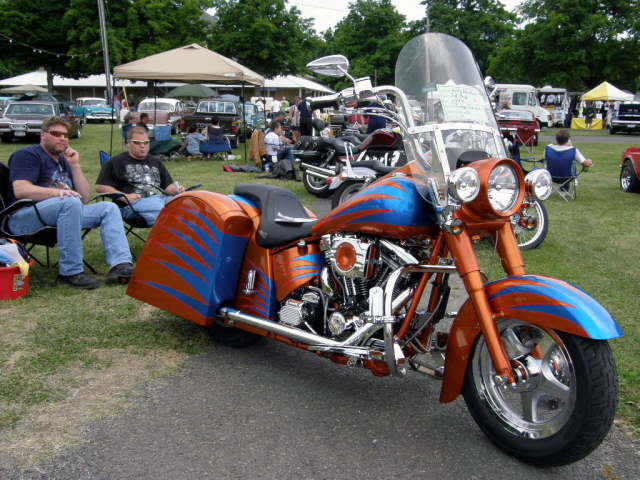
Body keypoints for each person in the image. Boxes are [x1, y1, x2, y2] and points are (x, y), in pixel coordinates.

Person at [7, 116, 134, 289]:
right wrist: (59, 192)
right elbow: (21, 190)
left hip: (64, 213)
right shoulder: (28, 155)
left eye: (66, 135)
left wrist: (74, 165)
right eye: (56, 133)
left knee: (109, 207)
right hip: (23, 218)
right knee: (70, 202)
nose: (62, 138)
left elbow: (84, 198)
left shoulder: (63, 161)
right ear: (43, 135)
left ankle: (120, 265)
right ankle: (70, 272)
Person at [96, 126, 185, 227]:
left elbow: (167, 186)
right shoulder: (116, 162)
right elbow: (100, 187)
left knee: (189, 203)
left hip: (161, 199)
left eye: (146, 142)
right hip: (133, 206)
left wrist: (176, 190)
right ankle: (169, 240)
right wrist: (124, 196)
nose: (143, 146)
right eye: (137, 142)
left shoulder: (155, 161)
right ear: (128, 144)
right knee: (167, 212)